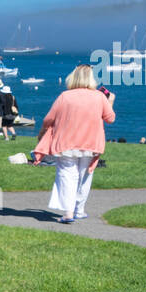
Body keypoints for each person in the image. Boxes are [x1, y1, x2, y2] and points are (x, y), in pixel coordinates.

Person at [32, 65, 115, 223]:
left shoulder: (65, 96)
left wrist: (42, 133)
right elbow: (110, 118)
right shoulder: (99, 97)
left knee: (67, 176)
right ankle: (79, 210)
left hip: (66, 143)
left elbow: (49, 119)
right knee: (85, 175)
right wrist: (110, 101)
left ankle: (68, 212)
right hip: (91, 143)